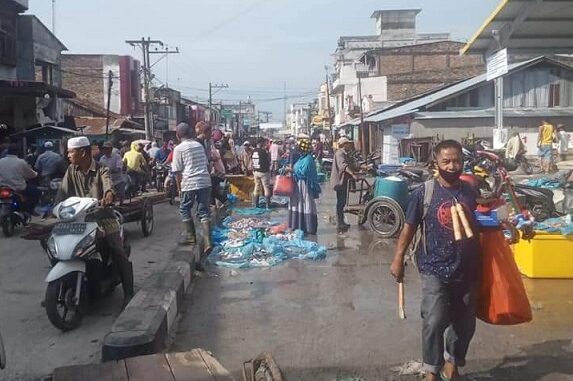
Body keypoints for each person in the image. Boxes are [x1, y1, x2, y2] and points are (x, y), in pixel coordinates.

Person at [390, 140, 480, 381]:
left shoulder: (470, 192)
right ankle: (431, 369)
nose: (452, 166)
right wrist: (398, 259)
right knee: (434, 319)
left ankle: (452, 363)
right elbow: (409, 229)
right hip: (434, 268)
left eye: (457, 161)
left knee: (464, 324)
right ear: (436, 164)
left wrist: (505, 226)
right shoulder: (424, 192)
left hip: (467, 267)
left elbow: (481, 223)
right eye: (446, 161)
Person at [55, 136, 134, 307]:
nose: (68, 155)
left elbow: (109, 187)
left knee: (116, 248)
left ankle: (129, 292)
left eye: (71, 152)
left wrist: (108, 196)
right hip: (78, 219)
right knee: (56, 244)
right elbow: (62, 193)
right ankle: (61, 285)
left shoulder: (102, 169)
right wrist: (53, 209)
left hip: (103, 217)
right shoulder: (71, 170)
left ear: (83, 152)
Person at [172, 122, 213, 257]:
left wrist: (179, 188)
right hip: (205, 181)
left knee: (185, 208)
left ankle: (191, 237)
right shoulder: (198, 145)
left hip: (189, 182)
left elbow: (177, 172)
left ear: (178, 135)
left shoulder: (178, 148)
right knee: (204, 212)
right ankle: (208, 242)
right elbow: (207, 166)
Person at [288, 138, 321, 235]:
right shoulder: (301, 158)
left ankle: (308, 227)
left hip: (305, 186)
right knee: (298, 204)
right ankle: (298, 225)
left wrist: (292, 170)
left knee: (306, 204)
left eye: (300, 150)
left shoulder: (308, 159)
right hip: (298, 185)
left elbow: (304, 173)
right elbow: (296, 168)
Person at [330, 137, 361, 234]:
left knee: (342, 202)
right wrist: (353, 174)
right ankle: (340, 223)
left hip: (344, 181)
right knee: (341, 203)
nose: (350, 145)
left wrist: (361, 168)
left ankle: (342, 221)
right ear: (344, 145)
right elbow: (343, 166)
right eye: (348, 144)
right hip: (340, 182)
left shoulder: (345, 154)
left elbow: (351, 165)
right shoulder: (340, 153)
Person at [0, 143, 40, 214]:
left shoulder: (1, 161)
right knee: (37, 192)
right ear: (18, 152)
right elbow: (31, 174)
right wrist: (36, 174)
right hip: (18, 188)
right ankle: (29, 211)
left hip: (2, 187)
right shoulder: (21, 162)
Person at [99, 141, 126, 205]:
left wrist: (109, 170)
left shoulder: (117, 157)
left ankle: (121, 204)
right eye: (104, 148)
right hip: (108, 180)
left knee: (121, 194)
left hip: (118, 179)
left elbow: (119, 168)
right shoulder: (102, 158)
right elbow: (100, 169)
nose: (105, 150)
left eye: (107, 148)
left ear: (111, 149)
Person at [252, 137, 272, 208]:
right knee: (266, 187)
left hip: (256, 171)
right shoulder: (263, 151)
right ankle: (267, 205)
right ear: (261, 143)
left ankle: (256, 204)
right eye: (263, 142)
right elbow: (268, 160)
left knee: (256, 187)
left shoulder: (253, 151)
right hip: (264, 172)